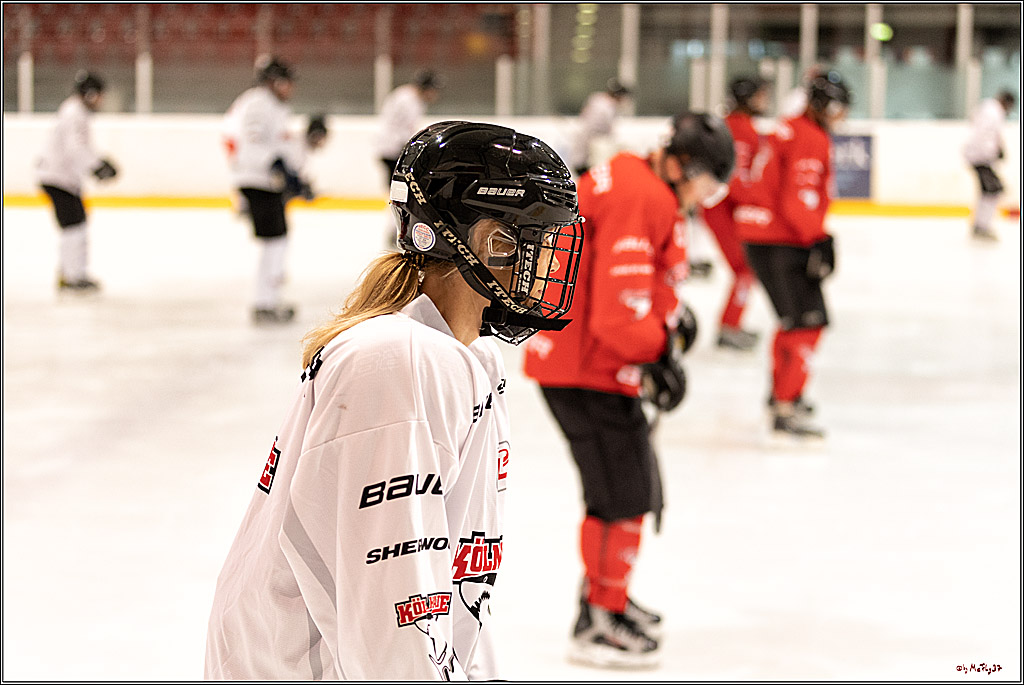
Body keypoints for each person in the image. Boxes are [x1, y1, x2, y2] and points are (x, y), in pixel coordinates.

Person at [204, 121, 585, 680]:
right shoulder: (398, 362)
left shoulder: (467, 357)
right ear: (486, 240)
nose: (553, 262)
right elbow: (393, 601)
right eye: (541, 239)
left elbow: (450, 573)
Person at [523, 112, 735, 668]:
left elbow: (627, 286)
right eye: (708, 184)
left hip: (578, 363)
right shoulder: (645, 197)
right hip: (590, 369)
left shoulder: (633, 179)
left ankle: (605, 598)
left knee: (623, 491)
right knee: (622, 496)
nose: (705, 198)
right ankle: (598, 619)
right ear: (683, 166)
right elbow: (619, 318)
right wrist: (656, 351)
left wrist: (667, 321)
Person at [734, 70, 851, 439]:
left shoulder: (787, 128)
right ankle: (786, 403)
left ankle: (782, 395)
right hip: (783, 240)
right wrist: (817, 238)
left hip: (760, 237)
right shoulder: (810, 138)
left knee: (792, 320)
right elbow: (797, 199)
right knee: (807, 322)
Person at [223, 56, 311, 325]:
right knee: (275, 242)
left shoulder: (271, 105)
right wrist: (277, 166)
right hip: (258, 182)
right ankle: (264, 303)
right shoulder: (258, 102)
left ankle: (269, 298)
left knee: (278, 241)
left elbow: (278, 145)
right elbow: (252, 144)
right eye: (288, 82)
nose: (291, 87)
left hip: (265, 182)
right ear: (276, 81)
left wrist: (294, 175)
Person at [701, 76, 772, 351]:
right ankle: (729, 328)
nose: (765, 100)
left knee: (745, 269)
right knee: (744, 268)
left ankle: (730, 326)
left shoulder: (735, 125)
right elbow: (736, 179)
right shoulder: (739, 129)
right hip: (721, 209)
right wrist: (761, 201)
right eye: (760, 94)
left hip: (722, 208)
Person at [36, 70, 118, 293]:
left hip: (59, 177)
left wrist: (96, 164)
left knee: (74, 225)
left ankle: (69, 273)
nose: (101, 100)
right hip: (58, 178)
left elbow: (76, 148)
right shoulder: (75, 113)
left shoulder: (73, 110)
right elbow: (76, 148)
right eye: (99, 95)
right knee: (75, 226)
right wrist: (97, 166)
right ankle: (72, 276)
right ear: (91, 94)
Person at [963, 90, 1016, 241]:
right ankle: (982, 226)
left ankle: (980, 224)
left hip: (977, 155)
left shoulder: (987, 107)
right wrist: (992, 152)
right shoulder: (994, 112)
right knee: (993, 190)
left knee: (988, 191)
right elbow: (986, 135)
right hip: (981, 157)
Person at [376, 69, 443, 186]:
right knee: (400, 183)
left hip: (393, 145)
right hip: (393, 146)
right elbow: (402, 127)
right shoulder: (408, 100)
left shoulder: (410, 97)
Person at [569, 77, 633, 177]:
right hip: (591, 149)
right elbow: (598, 130)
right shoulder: (606, 107)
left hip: (586, 146)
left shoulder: (597, 99)